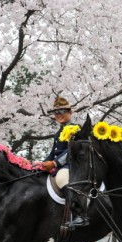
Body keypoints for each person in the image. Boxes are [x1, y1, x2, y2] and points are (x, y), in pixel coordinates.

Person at [43, 96, 87, 228]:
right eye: (56, 112)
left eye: (62, 111)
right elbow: (53, 152)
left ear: (69, 112)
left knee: (62, 178)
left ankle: (79, 214)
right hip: (58, 165)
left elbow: (71, 151)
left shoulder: (75, 129)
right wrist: (42, 163)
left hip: (71, 165)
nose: (59, 115)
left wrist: (55, 163)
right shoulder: (58, 132)